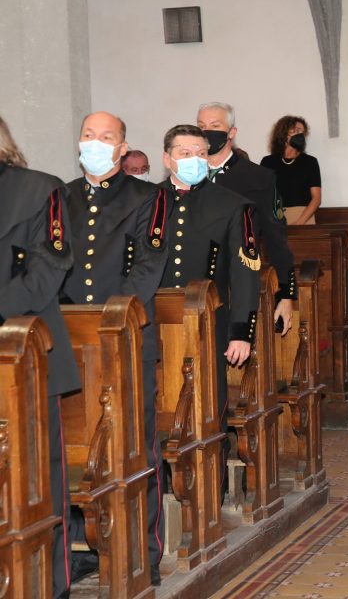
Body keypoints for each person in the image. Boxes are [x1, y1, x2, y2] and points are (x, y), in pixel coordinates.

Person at [61, 111, 167, 586]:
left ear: (123, 148)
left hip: (124, 337)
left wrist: (110, 319)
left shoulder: (148, 197)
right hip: (70, 344)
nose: (95, 143)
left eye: (106, 137)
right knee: (75, 446)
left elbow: (148, 264)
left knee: (136, 447)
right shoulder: (60, 196)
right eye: (89, 135)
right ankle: (80, 548)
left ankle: (145, 551)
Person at [0, 116, 80, 598]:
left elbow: (48, 268)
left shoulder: (41, 189)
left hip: (25, 349)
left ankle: (52, 583)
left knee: (40, 475)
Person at [158, 124, 261, 491]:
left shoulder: (233, 205)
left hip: (208, 324)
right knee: (159, 407)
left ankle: (210, 490)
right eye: (185, 153)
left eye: (201, 153)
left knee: (207, 406)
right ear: (167, 158)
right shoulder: (148, 202)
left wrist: (241, 332)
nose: (194, 159)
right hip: (157, 324)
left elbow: (246, 272)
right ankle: (163, 486)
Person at [197, 101, 296, 336]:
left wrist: (286, 294)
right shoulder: (186, 175)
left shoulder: (258, 177)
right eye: (201, 126)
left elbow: (276, 239)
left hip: (236, 285)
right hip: (193, 286)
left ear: (231, 132)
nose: (206, 131)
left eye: (215, 125)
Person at [260, 115, 321, 224]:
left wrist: (299, 223)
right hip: (276, 218)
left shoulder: (310, 162)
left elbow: (316, 199)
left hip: (304, 217)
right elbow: (263, 195)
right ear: (283, 133)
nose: (300, 135)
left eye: (302, 132)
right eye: (296, 130)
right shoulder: (268, 162)